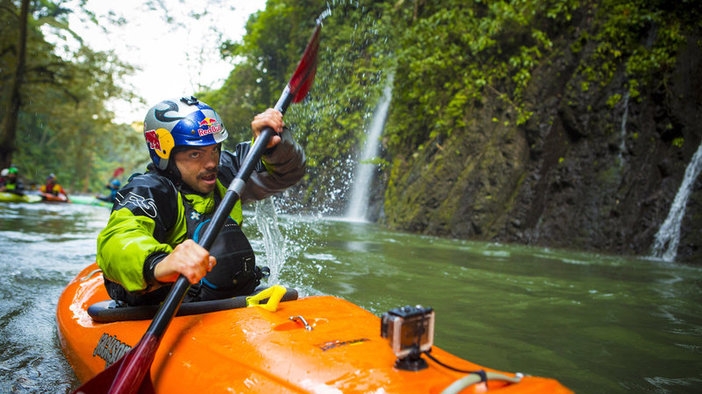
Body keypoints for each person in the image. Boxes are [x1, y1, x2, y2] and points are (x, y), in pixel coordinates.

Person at [96, 96, 306, 306]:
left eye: (214, 149)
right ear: (164, 154)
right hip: (174, 306)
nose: (210, 163)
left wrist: (271, 146)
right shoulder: (150, 191)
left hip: (233, 300)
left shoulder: (226, 174)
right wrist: (159, 264)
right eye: (195, 154)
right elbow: (118, 239)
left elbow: (287, 173)